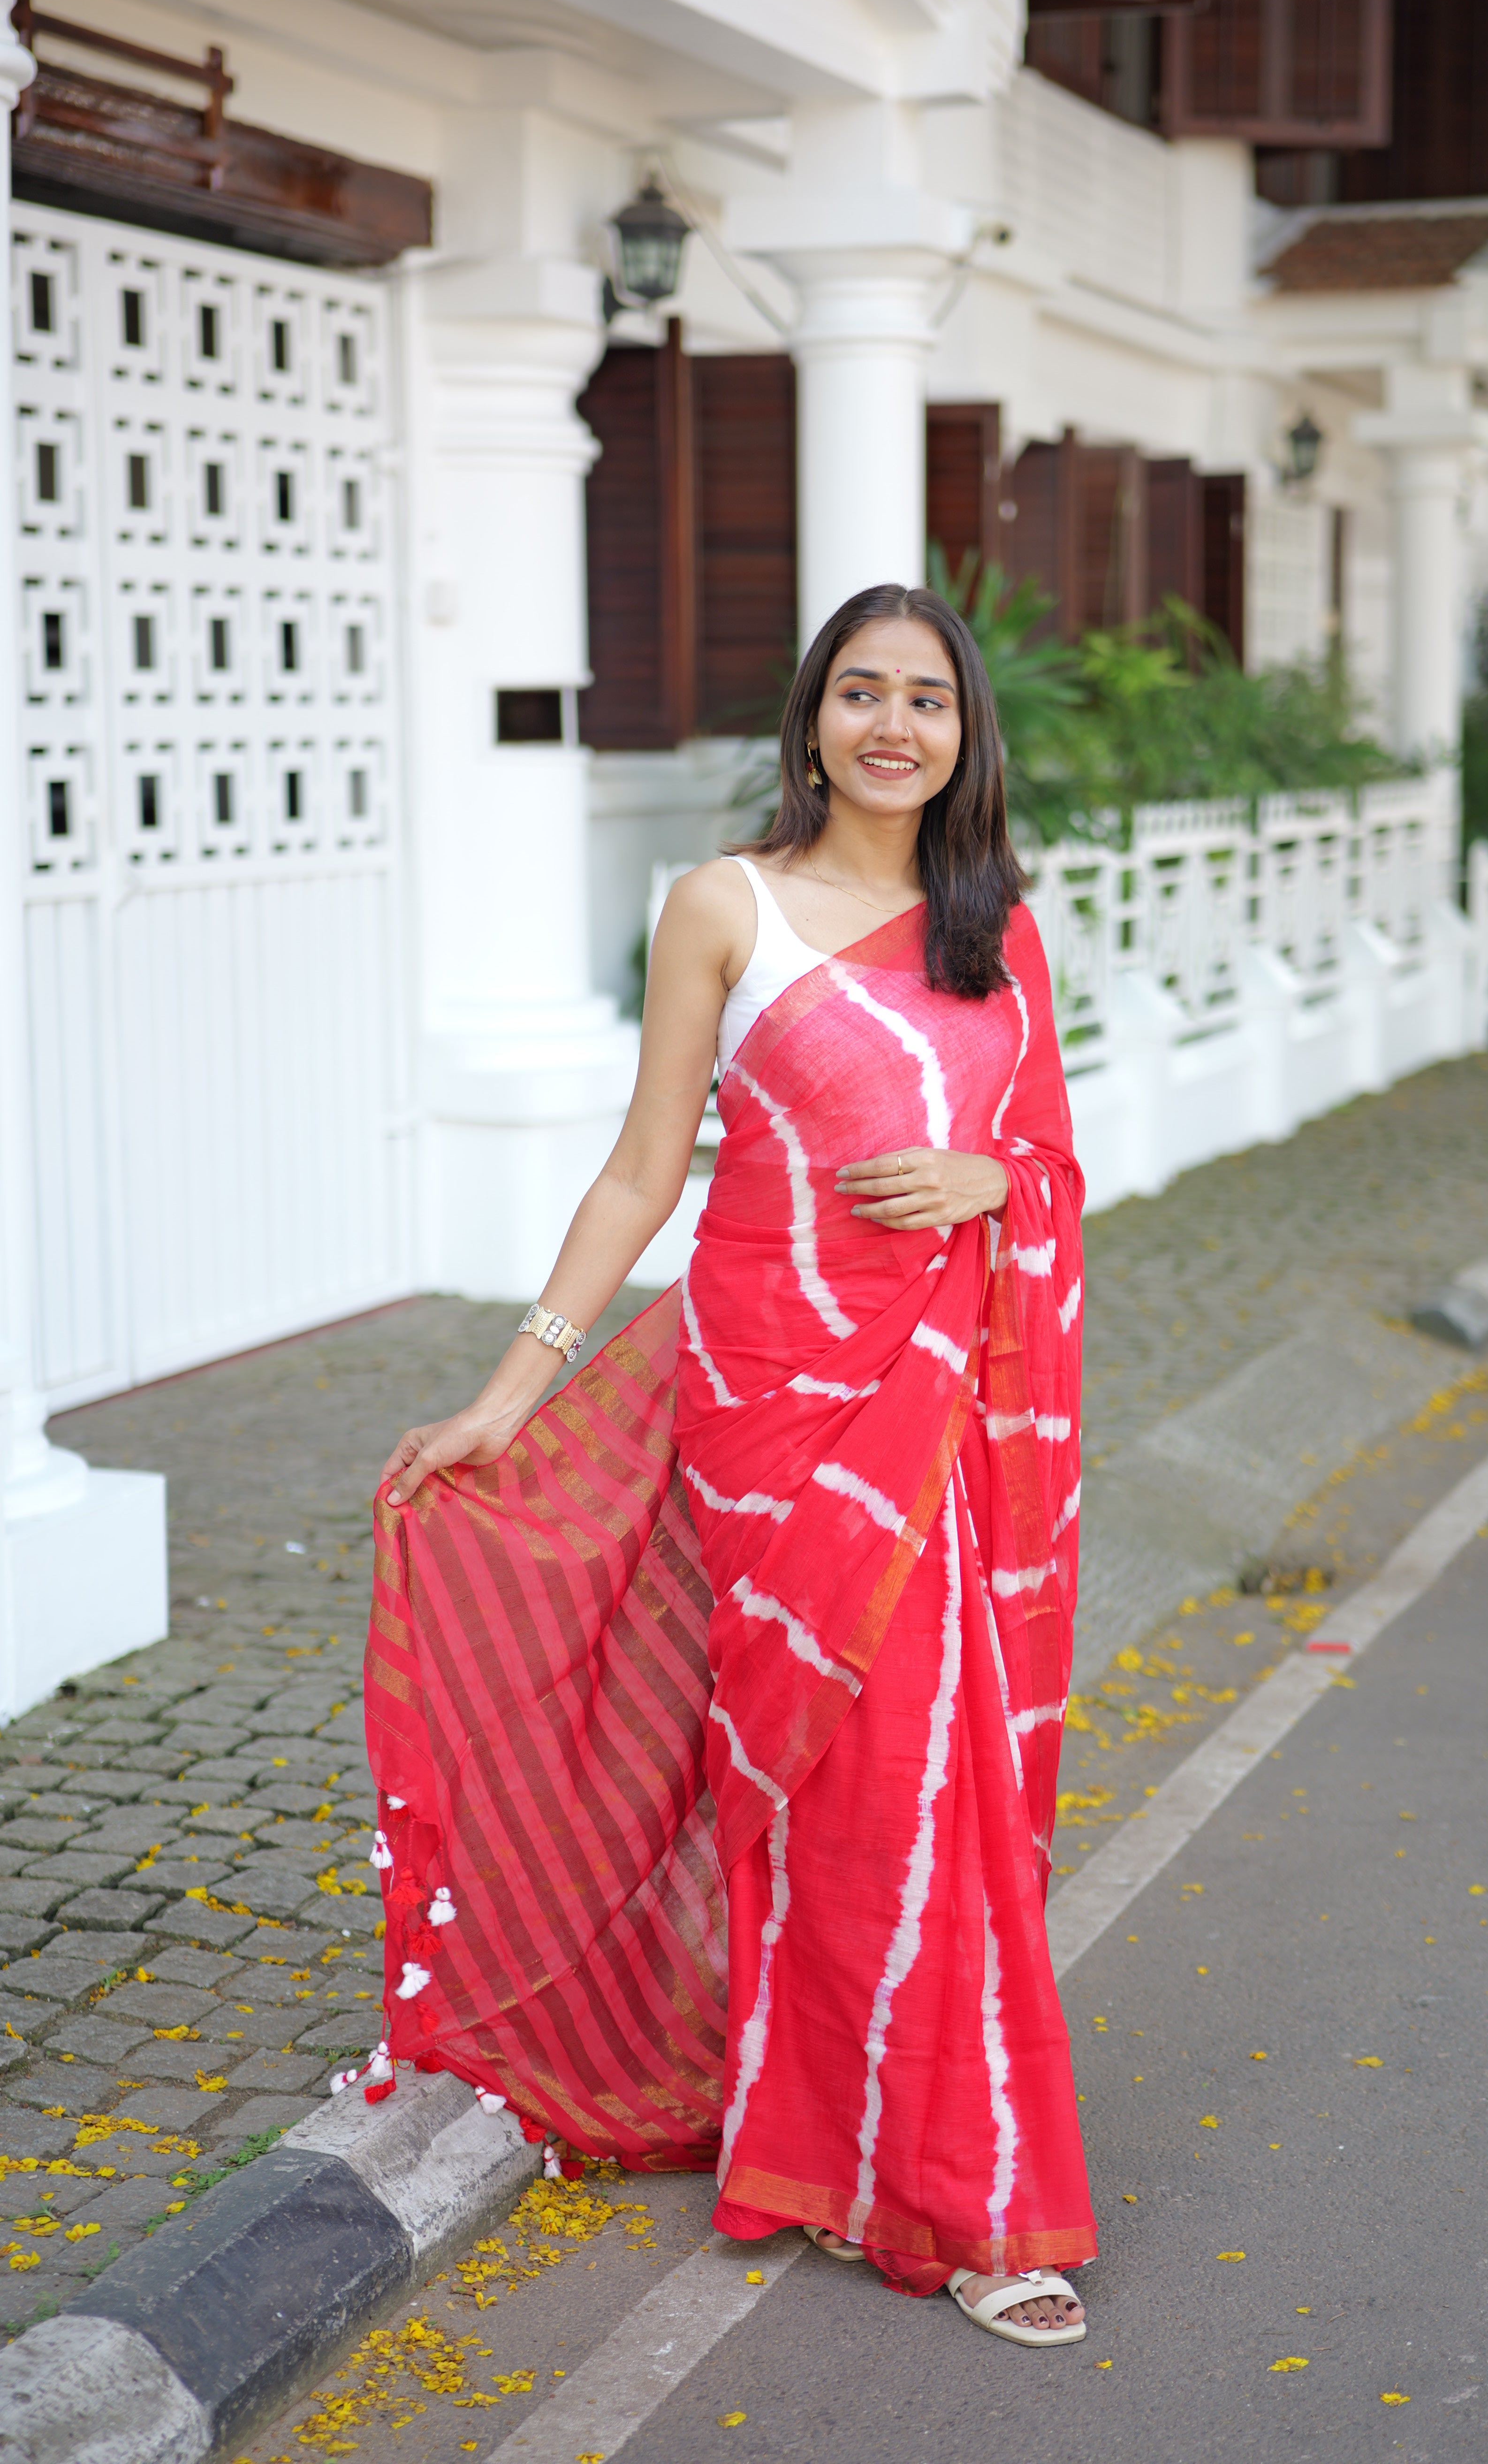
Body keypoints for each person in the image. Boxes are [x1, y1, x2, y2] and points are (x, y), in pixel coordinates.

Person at [369, 582, 1094, 2346]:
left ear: (964, 732)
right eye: (863, 693)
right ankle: (874, 2152)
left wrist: (1001, 1191)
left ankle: (944, 2184)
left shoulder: (994, 927)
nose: (895, 727)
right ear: (815, 718)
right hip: (770, 1400)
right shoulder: (727, 906)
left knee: (925, 1788)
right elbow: (643, 1172)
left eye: (928, 698)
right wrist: (511, 1392)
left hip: (934, 1405)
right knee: (826, 1778)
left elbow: (1051, 1159)